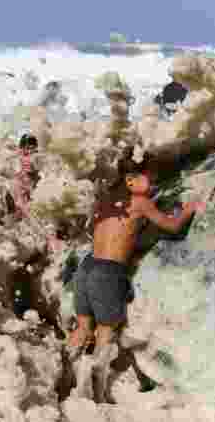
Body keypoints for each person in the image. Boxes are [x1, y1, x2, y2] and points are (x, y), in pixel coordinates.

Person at [67, 154, 205, 402]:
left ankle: (64, 377)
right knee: (105, 335)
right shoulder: (139, 201)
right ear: (131, 181)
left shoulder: (104, 201)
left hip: (86, 268)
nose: (151, 184)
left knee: (83, 328)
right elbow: (173, 226)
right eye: (148, 178)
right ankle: (96, 398)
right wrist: (189, 208)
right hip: (109, 272)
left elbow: (100, 233)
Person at [10, 133, 40, 221]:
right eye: (27, 149)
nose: (30, 152)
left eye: (32, 149)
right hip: (23, 184)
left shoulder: (37, 158)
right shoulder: (20, 156)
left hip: (32, 184)